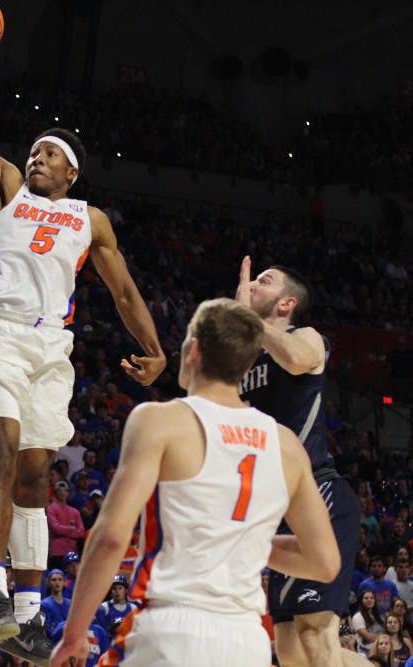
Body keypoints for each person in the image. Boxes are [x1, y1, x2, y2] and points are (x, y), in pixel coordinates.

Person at [0, 56, 166, 665]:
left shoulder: (88, 219)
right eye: (35, 151)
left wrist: (155, 351)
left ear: (71, 170)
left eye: (48, 154)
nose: (36, 158)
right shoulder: (6, 188)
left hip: (53, 350)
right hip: (1, 335)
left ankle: (26, 619)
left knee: (36, 476)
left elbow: (123, 291)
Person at [48, 298, 340, 667]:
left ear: (194, 348)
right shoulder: (287, 445)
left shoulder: (160, 420)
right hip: (247, 640)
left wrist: (74, 635)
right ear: (248, 364)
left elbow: (110, 538)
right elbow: (324, 562)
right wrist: (242, 538)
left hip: (171, 628)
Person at [236, 258, 363, 667]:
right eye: (253, 280)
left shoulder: (305, 336)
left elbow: (293, 359)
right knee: (289, 647)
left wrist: (248, 321)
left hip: (316, 491)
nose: (254, 285)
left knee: (314, 634)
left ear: (287, 302)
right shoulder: (245, 358)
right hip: (275, 504)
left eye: (264, 280)